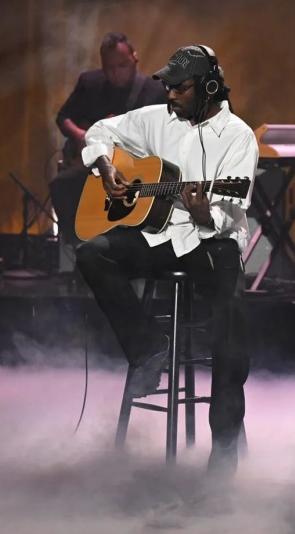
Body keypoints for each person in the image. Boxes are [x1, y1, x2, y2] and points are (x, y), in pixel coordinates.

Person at [75, 44, 258, 476]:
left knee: (231, 322)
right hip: (158, 234)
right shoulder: (156, 118)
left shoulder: (238, 136)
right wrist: (105, 166)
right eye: (169, 87)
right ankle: (148, 347)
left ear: (208, 88)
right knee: (92, 254)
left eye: (180, 88)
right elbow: (99, 130)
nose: (171, 95)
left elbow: (227, 212)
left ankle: (224, 448)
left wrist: (202, 213)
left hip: (212, 241)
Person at [50, 32, 166, 249]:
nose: (115, 73)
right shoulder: (90, 83)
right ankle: (79, 244)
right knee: (61, 184)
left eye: (122, 65)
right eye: (109, 67)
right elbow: (63, 117)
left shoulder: (155, 92)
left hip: (135, 169)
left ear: (135, 59)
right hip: (95, 167)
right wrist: (80, 135)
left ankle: (122, 247)